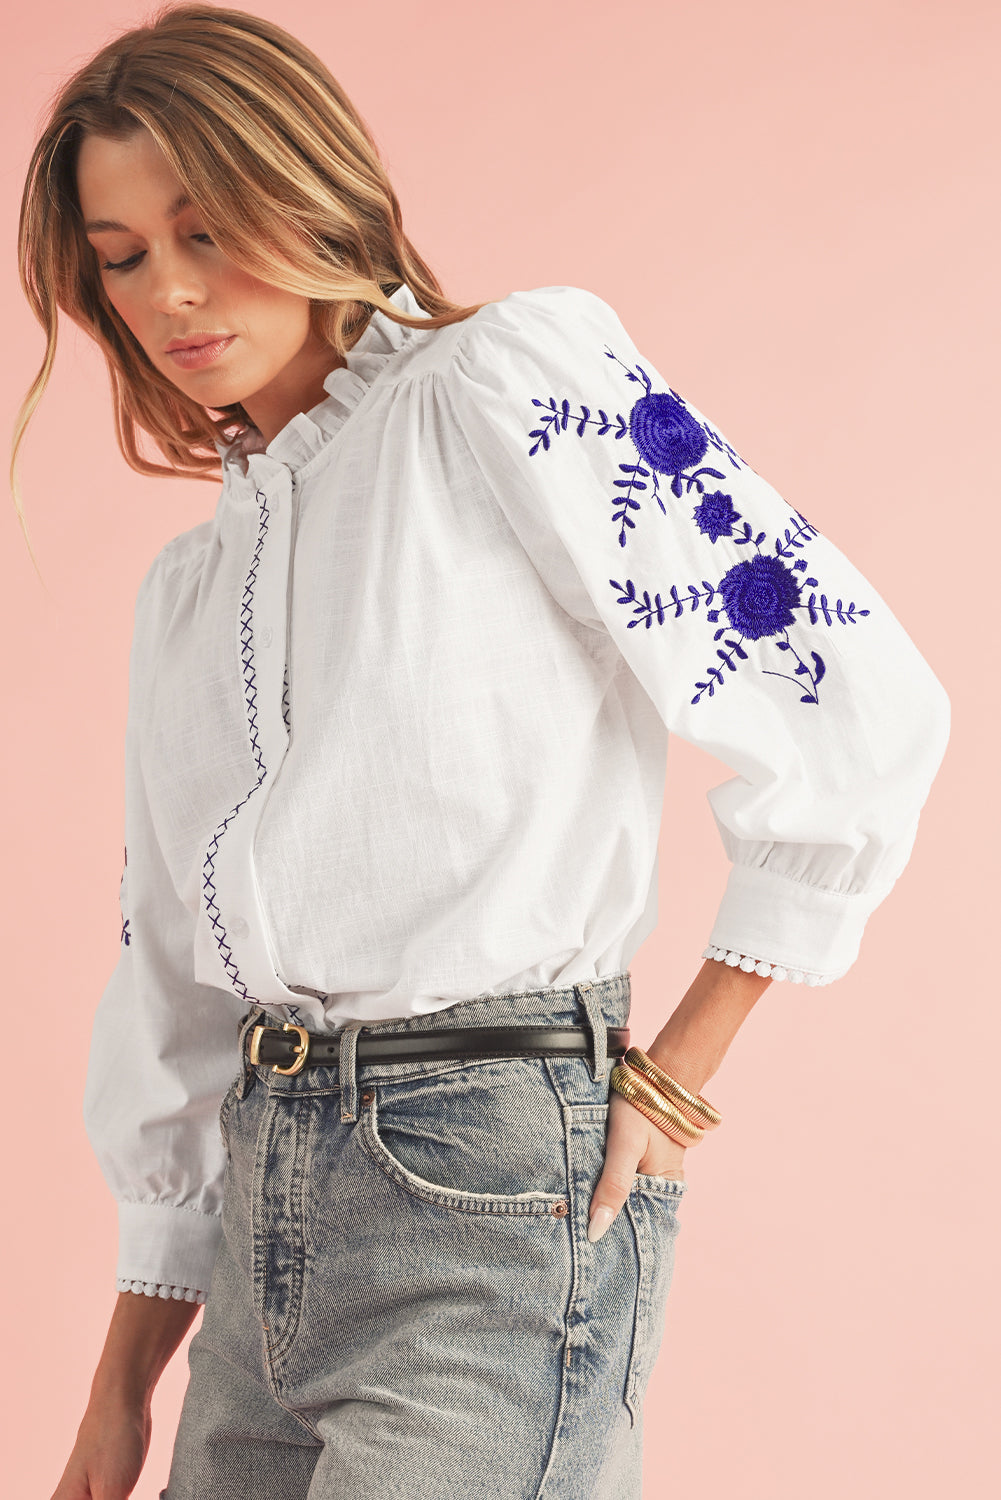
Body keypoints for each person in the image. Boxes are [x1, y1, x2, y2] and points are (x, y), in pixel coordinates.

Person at [14, 6, 950, 1499]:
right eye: (120, 256)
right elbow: (178, 988)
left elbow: (840, 689)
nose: (172, 291)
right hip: (261, 1224)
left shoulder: (497, 387)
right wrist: (118, 1389)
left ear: (310, 194)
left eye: (208, 226)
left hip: (489, 1189)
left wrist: (676, 1078)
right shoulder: (188, 596)